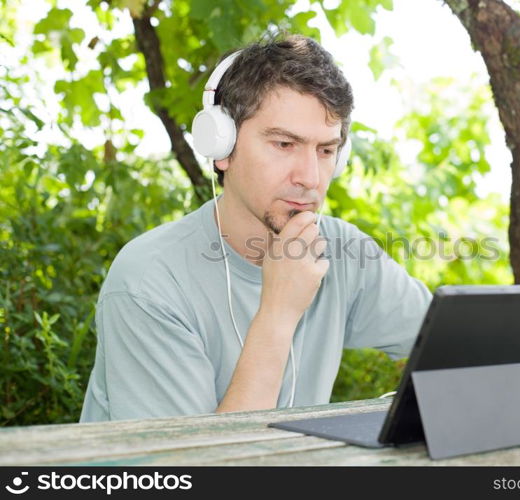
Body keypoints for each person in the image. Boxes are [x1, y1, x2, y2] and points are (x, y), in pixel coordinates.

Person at [79, 33, 432, 422]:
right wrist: (279, 309)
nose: (310, 178)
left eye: (326, 150)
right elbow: (196, 467)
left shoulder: (343, 250)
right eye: (284, 144)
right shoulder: (149, 282)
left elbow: (458, 345)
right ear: (222, 147)